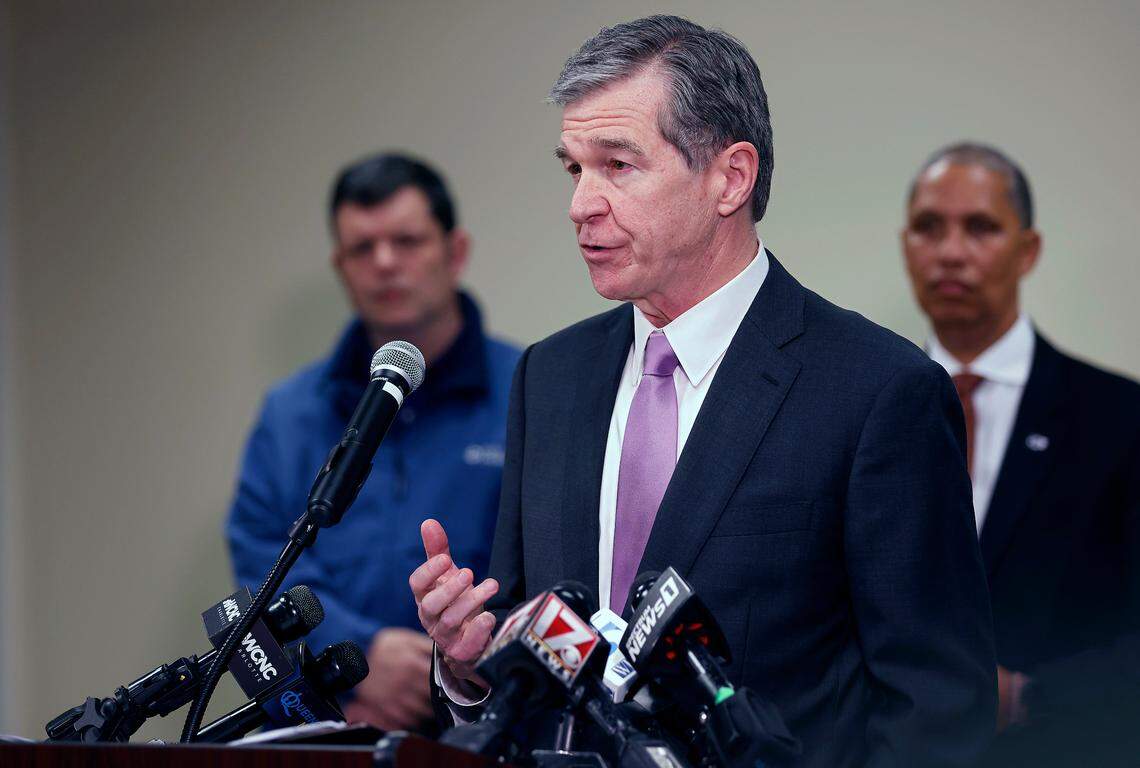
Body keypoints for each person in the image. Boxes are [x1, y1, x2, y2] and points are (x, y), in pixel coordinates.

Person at [409, 16, 996, 767]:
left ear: (730, 178)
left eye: (617, 166)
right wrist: (468, 666)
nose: (580, 205)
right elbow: (533, 678)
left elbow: (937, 714)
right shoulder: (549, 378)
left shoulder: (878, 392)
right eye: (573, 169)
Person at [227, 153, 520, 732]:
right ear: (341, 266)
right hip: (332, 716)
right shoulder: (290, 414)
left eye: (407, 241)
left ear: (454, 252)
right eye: (363, 248)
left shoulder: (529, 390)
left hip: (486, 723)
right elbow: (261, 560)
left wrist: (451, 663)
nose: (385, 263)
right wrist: (358, 654)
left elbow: (548, 563)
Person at [902, 142, 1140, 764]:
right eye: (930, 227)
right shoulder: (866, 407)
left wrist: (1031, 696)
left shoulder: (1120, 418)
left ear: (1027, 250)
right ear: (906, 245)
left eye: (980, 227)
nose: (951, 251)